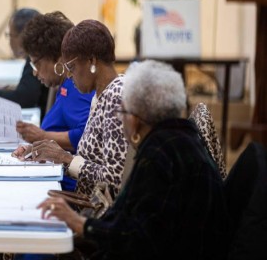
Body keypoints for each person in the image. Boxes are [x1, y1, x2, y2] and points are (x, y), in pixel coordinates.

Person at [39, 60, 230, 260]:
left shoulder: (159, 157)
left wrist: (80, 224)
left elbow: (136, 238)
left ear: (136, 118)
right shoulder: (181, 139)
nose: (120, 120)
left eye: (122, 112)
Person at [14, 19, 127, 199]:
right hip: (85, 204)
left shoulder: (116, 97)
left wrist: (65, 159)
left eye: (71, 67)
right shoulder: (101, 95)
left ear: (91, 61)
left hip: (95, 215)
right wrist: (47, 152)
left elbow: (115, 179)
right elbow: (89, 163)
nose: (67, 75)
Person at [14, 12, 95, 191]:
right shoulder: (65, 85)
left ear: (58, 59)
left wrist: (43, 137)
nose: (35, 72)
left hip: (66, 186)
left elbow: (87, 135)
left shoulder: (76, 86)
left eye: (36, 64)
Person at [0, 8, 49, 121]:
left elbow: (25, 98)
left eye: (10, 35)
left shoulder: (36, 55)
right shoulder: (41, 49)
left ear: (24, 35)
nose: (9, 41)